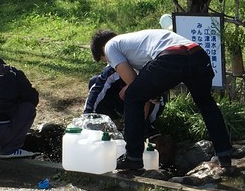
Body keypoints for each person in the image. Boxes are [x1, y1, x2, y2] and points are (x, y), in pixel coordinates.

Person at [90, 28, 233, 172]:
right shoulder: (135, 45)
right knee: (206, 104)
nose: (111, 64)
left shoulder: (110, 46)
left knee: (132, 97)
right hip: (198, 54)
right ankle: (224, 154)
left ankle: (133, 157)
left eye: (106, 61)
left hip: (172, 56)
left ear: (103, 51)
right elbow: (147, 84)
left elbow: (133, 83)